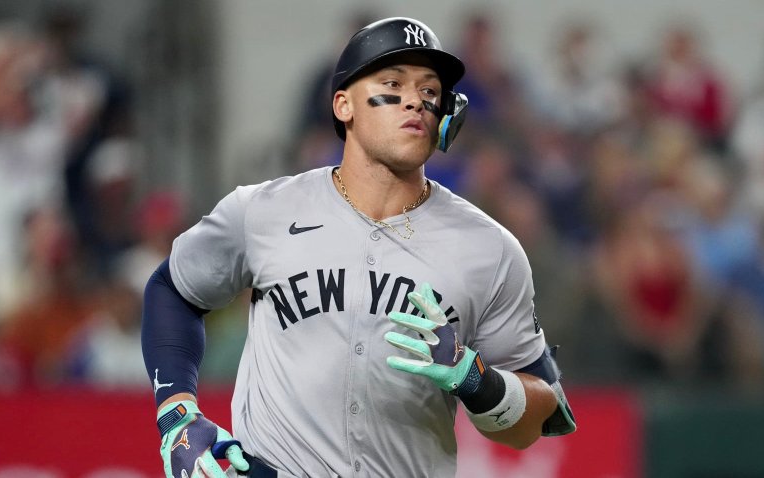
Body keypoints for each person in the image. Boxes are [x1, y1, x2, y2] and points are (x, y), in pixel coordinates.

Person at [141, 17, 576, 478]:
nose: (416, 100)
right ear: (344, 105)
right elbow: (173, 288)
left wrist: (477, 380)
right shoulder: (264, 211)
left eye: (430, 90)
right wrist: (177, 415)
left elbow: (539, 415)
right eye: (393, 83)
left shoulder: (490, 250)